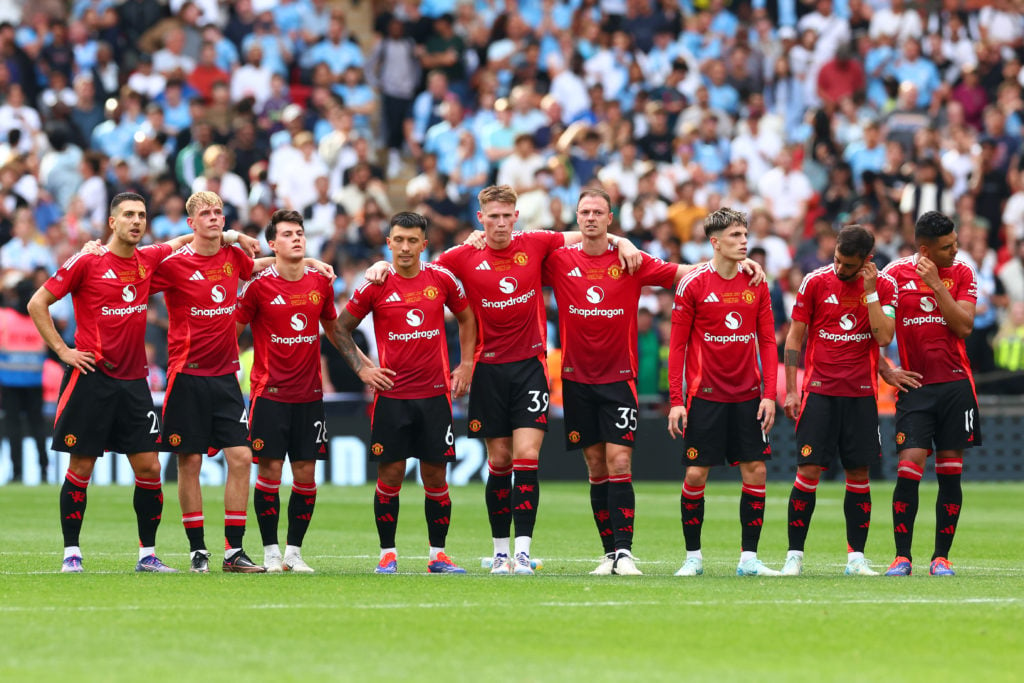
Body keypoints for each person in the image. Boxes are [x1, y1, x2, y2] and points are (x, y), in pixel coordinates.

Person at [365, 184, 641, 575]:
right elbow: (414, 268)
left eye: (505, 216)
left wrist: (623, 241)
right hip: (488, 369)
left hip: (530, 366)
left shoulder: (537, 242)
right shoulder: (462, 255)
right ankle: (499, 553)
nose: (499, 223)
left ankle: (523, 552)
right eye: (491, 216)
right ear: (481, 218)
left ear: (516, 217)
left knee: (527, 457)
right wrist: (381, 267)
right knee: (500, 460)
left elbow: (589, 231)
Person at [541, 188, 712, 576]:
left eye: (597, 212)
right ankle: (608, 554)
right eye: (584, 211)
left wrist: (729, 264)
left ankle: (624, 552)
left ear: (610, 218)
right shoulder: (560, 261)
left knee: (620, 462)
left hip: (619, 380)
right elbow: (514, 260)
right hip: (576, 380)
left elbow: (680, 272)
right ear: (577, 217)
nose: (590, 218)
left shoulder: (630, 261)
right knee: (596, 468)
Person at [26, 193, 195, 573]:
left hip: (134, 382)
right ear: (112, 222)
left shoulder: (148, 260)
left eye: (142, 215)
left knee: (150, 468)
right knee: (81, 466)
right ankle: (72, 553)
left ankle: (147, 555)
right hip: (91, 378)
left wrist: (234, 238)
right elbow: (38, 303)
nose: (137, 221)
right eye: (129, 215)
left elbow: (183, 241)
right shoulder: (87, 261)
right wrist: (62, 350)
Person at [336, 211, 476, 574]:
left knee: (435, 476)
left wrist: (465, 365)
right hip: (392, 397)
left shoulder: (440, 279)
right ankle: (387, 554)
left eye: (413, 240)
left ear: (424, 245)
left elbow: (467, 317)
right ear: (389, 242)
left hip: (434, 396)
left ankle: (438, 555)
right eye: (398, 239)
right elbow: (338, 329)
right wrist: (363, 367)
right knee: (391, 475)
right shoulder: (375, 284)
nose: (405, 247)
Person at [150, 191, 263, 573]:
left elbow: (258, 266)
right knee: (190, 461)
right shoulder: (174, 264)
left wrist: (308, 260)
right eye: (206, 214)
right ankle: (198, 549)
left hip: (226, 376)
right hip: (186, 374)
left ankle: (234, 551)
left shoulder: (234, 258)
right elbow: (139, 272)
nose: (214, 218)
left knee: (242, 457)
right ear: (191, 223)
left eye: (219, 213)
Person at [667, 207, 780, 577]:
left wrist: (769, 393)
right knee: (697, 474)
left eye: (745, 234)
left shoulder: (757, 282)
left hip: (748, 396)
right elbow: (678, 347)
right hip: (706, 396)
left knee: (756, 470)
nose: (744, 241)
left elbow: (766, 339)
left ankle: (749, 559)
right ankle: (693, 557)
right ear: (715, 242)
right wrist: (676, 401)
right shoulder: (694, 283)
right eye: (735, 236)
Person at [780, 225, 898, 576]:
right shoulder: (815, 282)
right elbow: (794, 339)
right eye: (836, 260)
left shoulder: (884, 286)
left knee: (859, 474)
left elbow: (884, 336)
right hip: (819, 392)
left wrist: (871, 293)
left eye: (848, 265)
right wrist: (790, 389)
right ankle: (794, 556)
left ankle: (856, 558)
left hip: (861, 395)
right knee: (808, 472)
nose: (840, 269)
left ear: (867, 261)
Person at [235, 210, 339, 573]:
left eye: (300, 233)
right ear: (273, 244)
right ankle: (270, 551)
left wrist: (361, 366)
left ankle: (294, 552)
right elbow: (232, 330)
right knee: (270, 472)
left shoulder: (320, 283)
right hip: (269, 395)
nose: (296, 238)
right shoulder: (259, 287)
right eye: (287, 234)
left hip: (310, 396)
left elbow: (334, 328)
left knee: (306, 474)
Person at [879, 211, 981, 577]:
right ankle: (901, 557)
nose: (955, 250)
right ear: (925, 249)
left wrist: (938, 285)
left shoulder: (963, 273)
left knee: (950, 474)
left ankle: (941, 558)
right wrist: (885, 369)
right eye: (947, 247)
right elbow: (868, 322)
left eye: (955, 243)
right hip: (916, 388)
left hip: (955, 386)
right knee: (909, 468)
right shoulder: (892, 275)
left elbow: (964, 326)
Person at [1, 278, 50, 483]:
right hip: (31, 382)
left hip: (12, 383)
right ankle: (43, 471)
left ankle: (18, 472)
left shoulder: (5, 318)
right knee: (37, 426)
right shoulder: (41, 317)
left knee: (14, 428)